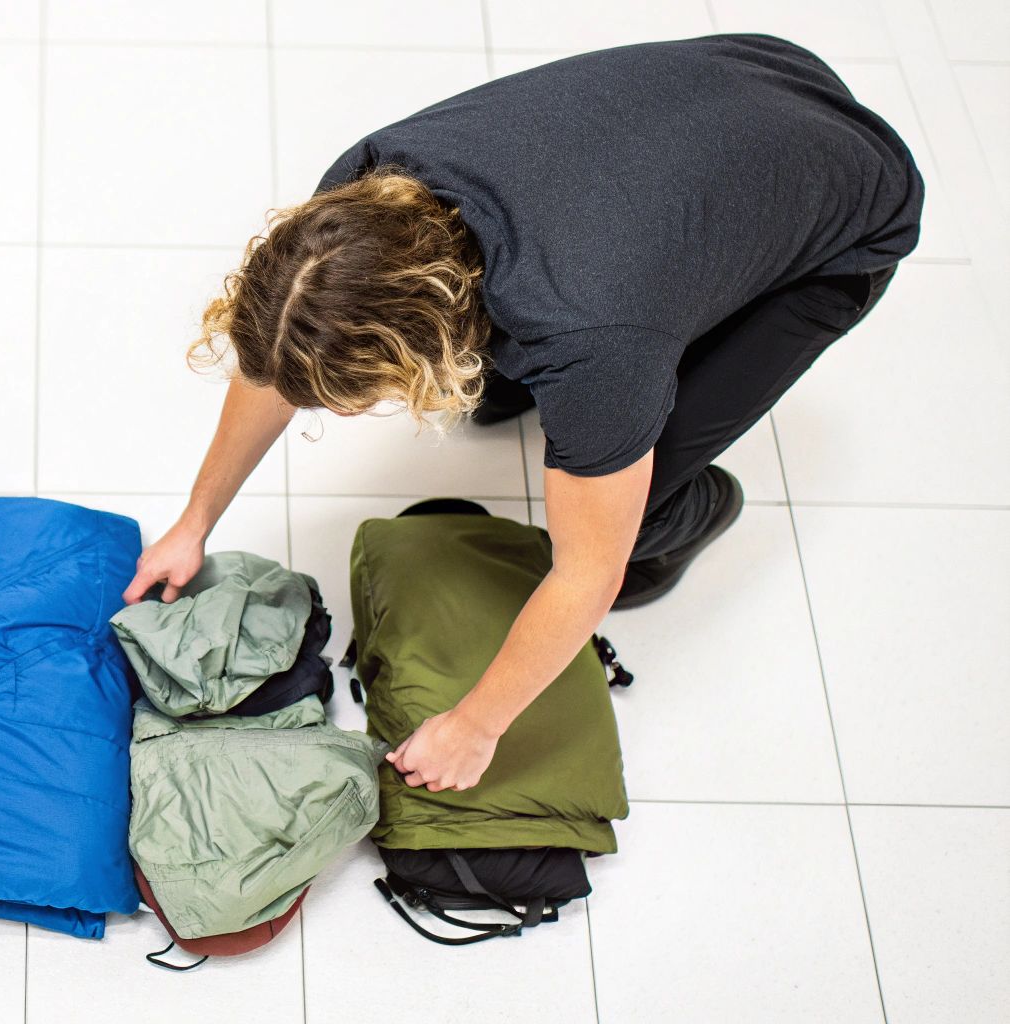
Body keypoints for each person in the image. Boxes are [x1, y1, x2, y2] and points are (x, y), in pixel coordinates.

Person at [121, 34, 922, 794]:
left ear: (422, 353)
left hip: (845, 217)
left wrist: (476, 724)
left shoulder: (589, 338)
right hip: (740, 80)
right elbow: (281, 365)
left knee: (623, 522)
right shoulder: (356, 206)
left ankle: (693, 510)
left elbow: (585, 575)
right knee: (584, 363)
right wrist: (196, 520)